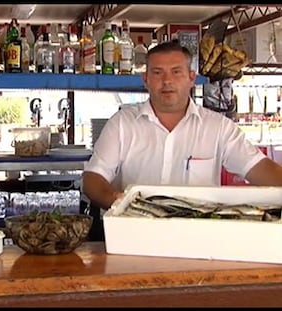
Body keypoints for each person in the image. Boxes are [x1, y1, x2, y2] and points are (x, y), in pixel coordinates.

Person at [82, 41, 282, 239]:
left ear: (191, 77)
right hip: (132, 234)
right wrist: (118, 201)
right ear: (146, 79)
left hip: (198, 238)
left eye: (176, 72)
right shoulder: (122, 124)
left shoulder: (218, 127)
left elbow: (259, 168)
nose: (167, 81)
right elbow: (93, 179)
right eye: (158, 72)